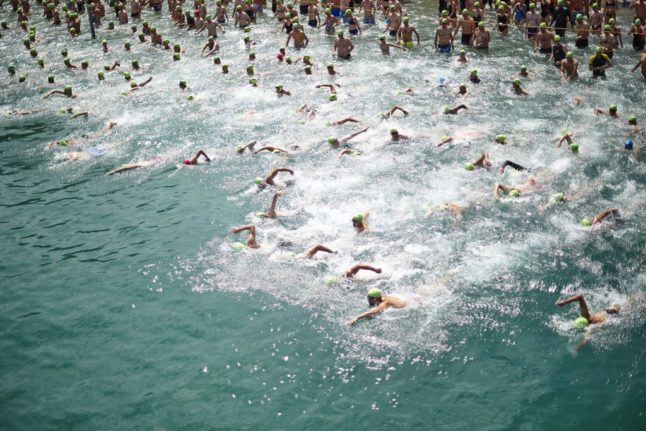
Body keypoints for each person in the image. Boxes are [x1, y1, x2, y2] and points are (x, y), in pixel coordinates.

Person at [555, 294, 620, 325]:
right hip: (609, 311)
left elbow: (580, 296)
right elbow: (579, 297)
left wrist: (577, 348)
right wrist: (564, 302)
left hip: (613, 313)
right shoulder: (585, 316)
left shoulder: (587, 318)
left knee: (627, 304)